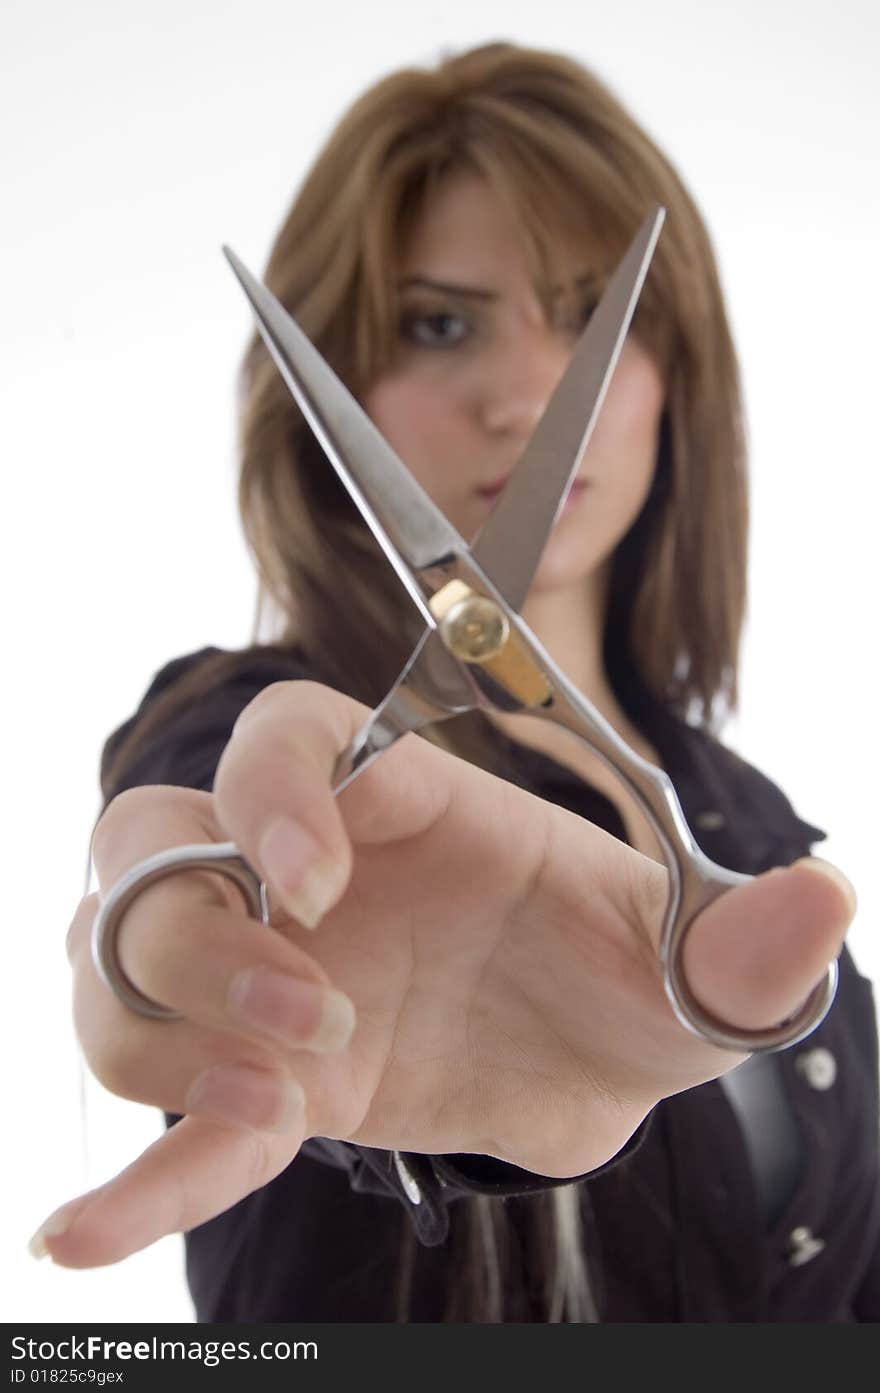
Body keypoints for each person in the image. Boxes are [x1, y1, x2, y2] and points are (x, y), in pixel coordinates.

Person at [36, 42, 877, 1322]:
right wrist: (184, 925)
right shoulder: (255, 730)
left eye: (592, 315)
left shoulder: (742, 816)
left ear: (675, 371)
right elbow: (209, 807)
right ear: (327, 386)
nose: (529, 396)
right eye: (440, 324)